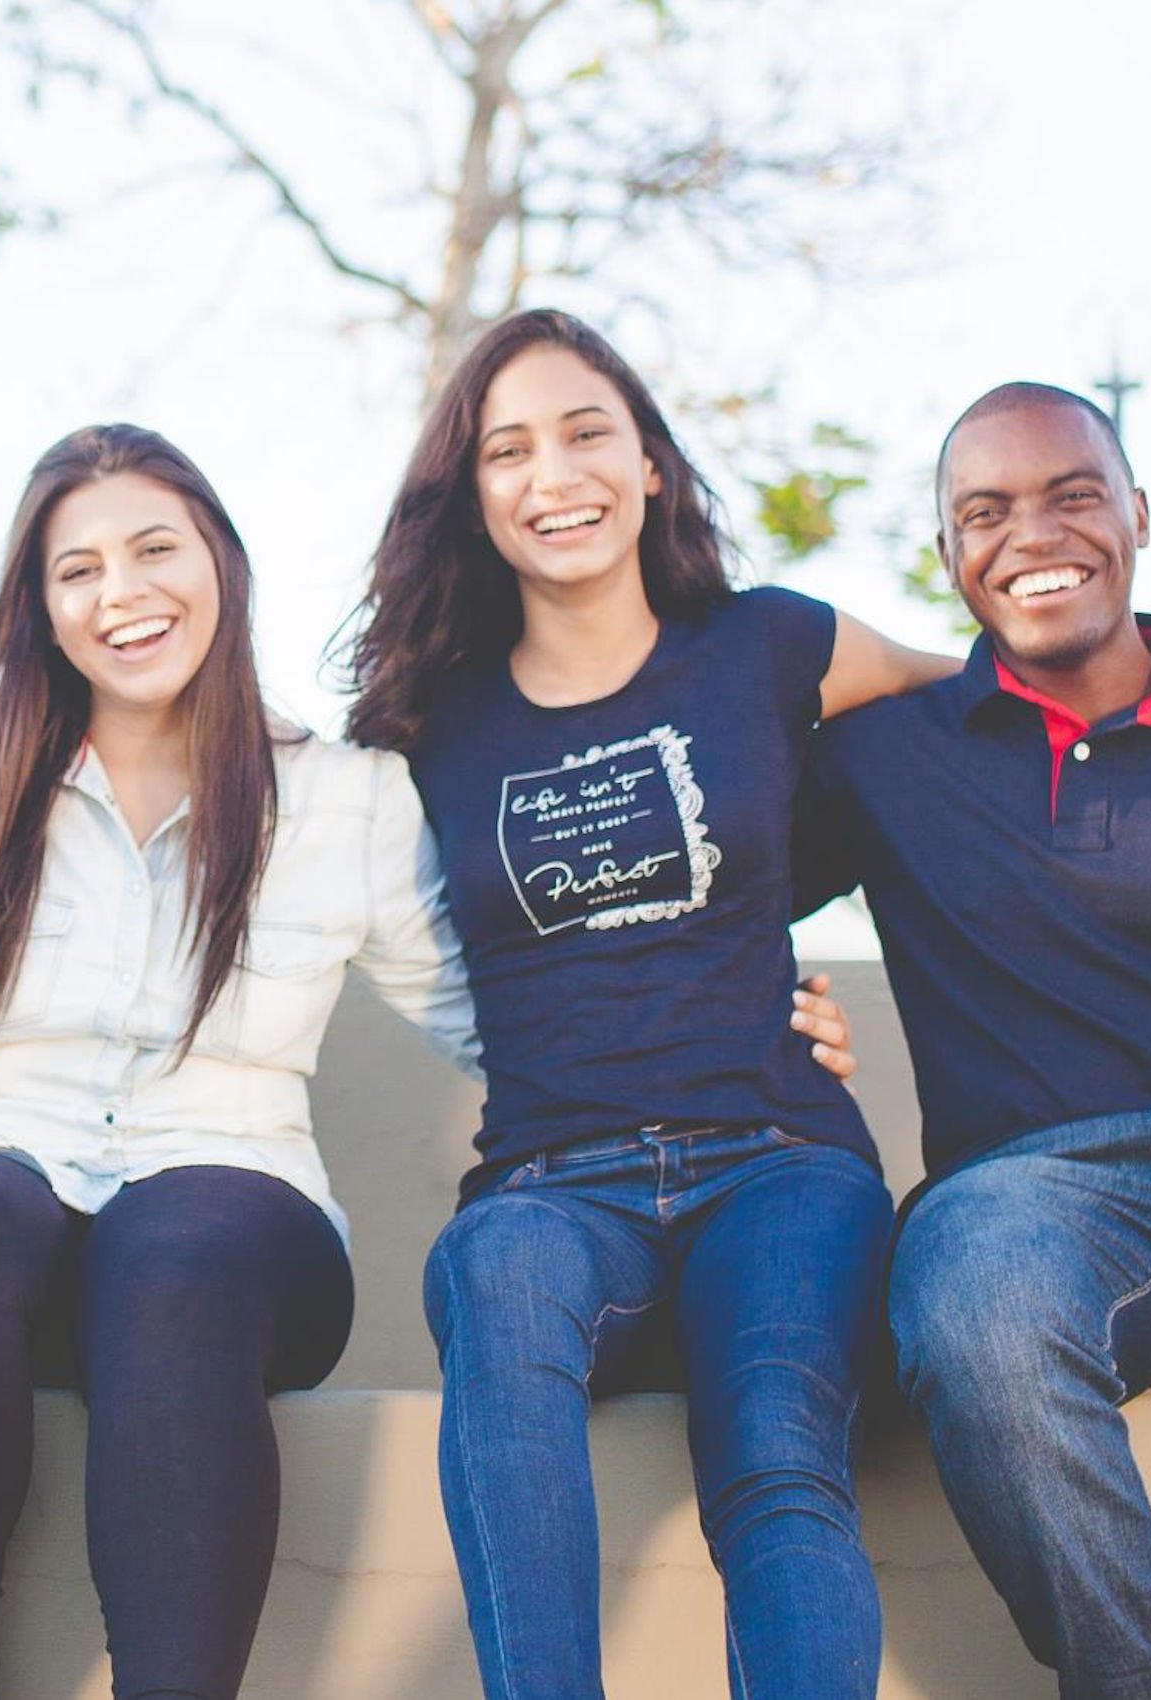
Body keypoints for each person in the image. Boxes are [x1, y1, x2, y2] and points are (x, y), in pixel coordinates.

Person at [0, 422, 859, 1700]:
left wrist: (738, 1020)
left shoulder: (344, 800)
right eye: (78, 569)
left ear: (220, 563)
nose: (123, 593)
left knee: (176, 1241)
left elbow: (506, 1018)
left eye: (156, 548)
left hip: (236, 1225)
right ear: (39, 606)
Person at [339, 308, 951, 1700]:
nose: (554, 473)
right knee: (493, 1284)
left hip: (780, 1160)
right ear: (474, 498)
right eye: (510, 450)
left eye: (586, 432)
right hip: (554, 1183)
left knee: (781, 1454)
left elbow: (1002, 697)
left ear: (652, 465)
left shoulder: (769, 644)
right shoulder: (426, 721)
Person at [794, 383, 1151, 1700]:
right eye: (983, 512)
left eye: (1072, 493)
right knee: (979, 1317)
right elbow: (692, 897)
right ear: (948, 557)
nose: (1030, 532)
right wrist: (774, 1005)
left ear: (1140, 514)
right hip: (1035, 1195)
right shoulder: (884, 754)